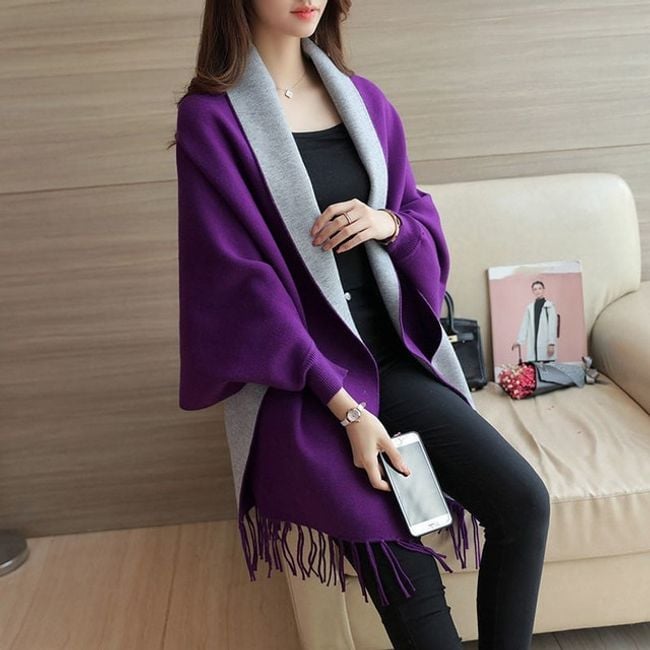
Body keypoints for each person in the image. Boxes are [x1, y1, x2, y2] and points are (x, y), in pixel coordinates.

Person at [174, 1, 551, 648]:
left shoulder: (364, 101)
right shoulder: (211, 120)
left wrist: (388, 225)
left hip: (393, 363)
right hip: (305, 389)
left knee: (524, 504)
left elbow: (414, 211)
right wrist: (347, 409)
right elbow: (239, 286)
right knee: (416, 599)